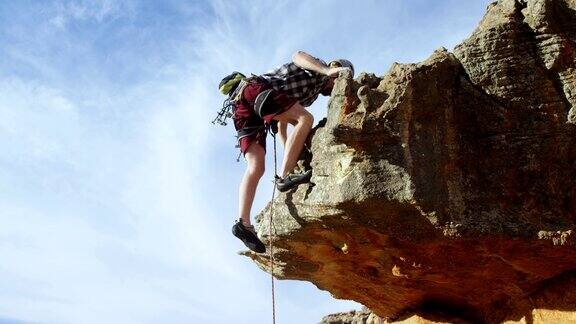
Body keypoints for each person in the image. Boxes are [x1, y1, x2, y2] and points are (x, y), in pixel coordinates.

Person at [218, 51, 354, 253]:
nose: (336, 88)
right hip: (255, 91)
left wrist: (291, 155)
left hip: (244, 107)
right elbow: (297, 55)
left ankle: (243, 223)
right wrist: (327, 70)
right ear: (336, 71)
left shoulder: (310, 96)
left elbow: (283, 126)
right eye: (339, 80)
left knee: (256, 166)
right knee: (305, 119)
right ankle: (284, 176)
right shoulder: (318, 69)